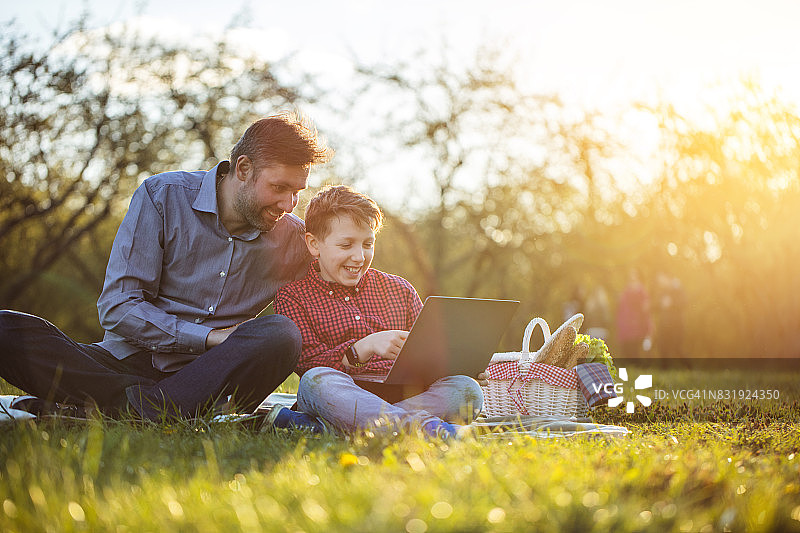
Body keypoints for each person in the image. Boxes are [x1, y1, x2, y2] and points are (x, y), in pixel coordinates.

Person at [0, 111, 332, 420]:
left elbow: (342, 287)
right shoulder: (162, 196)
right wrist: (211, 337)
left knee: (282, 334)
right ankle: (149, 407)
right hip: (124, 363)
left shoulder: (295, 238)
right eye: (279, 188)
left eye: (296, 192)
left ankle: (117, 407)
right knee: (7, 329)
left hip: (212, 377)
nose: (288, 204)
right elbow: (118, 307)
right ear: (243, 169)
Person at [273, 185, 483, 438]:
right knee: (316, 381)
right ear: (314, 244)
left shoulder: (399, 290)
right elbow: (308, 365)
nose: (359, 257)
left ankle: (339, 430)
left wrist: (458, 364)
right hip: (341, 395)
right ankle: (423, 428)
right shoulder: (293, 297)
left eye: (367, 244)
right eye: (346, 245)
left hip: (404, 393)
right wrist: (364, 347)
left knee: (467, 389)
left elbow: (428, 353)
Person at [615, 268, 653, 360]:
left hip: (636, 325)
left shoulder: (641, 291)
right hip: (626, 325)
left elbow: (645, 308)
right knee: (626, 350)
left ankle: (636, 369)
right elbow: (621, 307)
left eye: (634, 275)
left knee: (635, 350)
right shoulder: (626, 290)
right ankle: (630, 370)